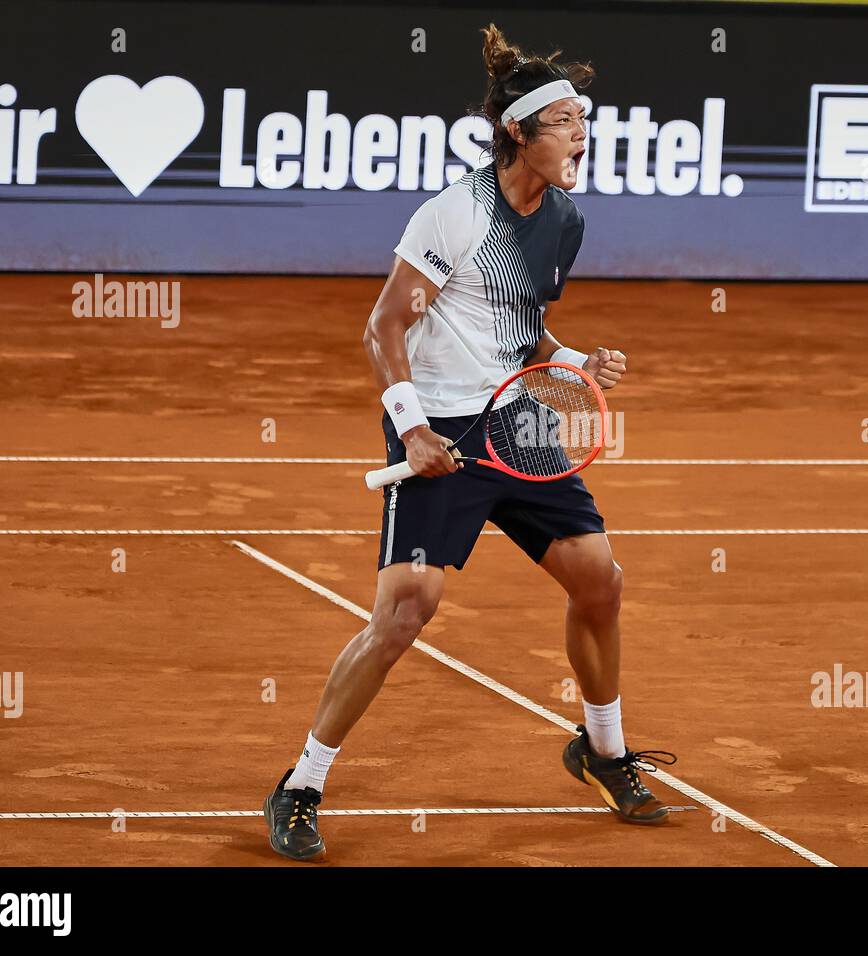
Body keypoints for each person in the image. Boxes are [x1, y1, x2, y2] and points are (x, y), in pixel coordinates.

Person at [264, 23, 674, 862]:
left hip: (513, 423)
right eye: (563, 121)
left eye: (582, 120)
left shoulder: (564, 220)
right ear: (518, 132)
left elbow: (522, 332)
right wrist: (412, 429)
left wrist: (574, 360)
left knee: (599, 580)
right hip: (438, 427)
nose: (581, 134)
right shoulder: (454, 214)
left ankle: (601, 752)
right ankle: (300, 784)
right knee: (405, 611)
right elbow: (383, 326)